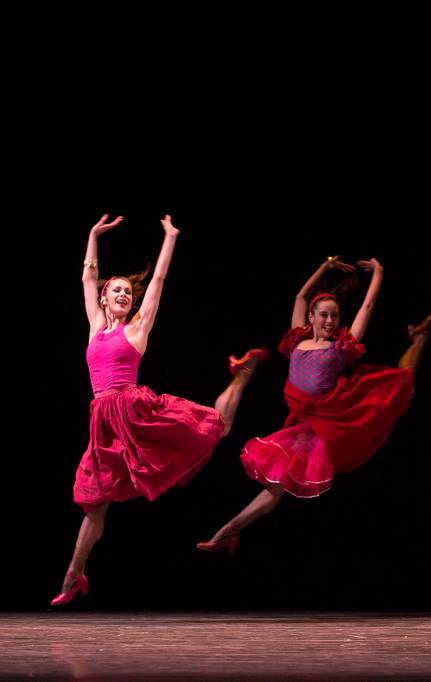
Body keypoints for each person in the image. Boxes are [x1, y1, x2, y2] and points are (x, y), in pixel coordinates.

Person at [51, 214, 266, 606]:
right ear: (104, 297)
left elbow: (159, 282)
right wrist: (91, 236)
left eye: (126, 293)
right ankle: (75, 572)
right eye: (115, 291)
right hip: (103, 424)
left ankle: (239, 378)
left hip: (136, 414)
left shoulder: (136, 329)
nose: (122, 296)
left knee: (216, 426)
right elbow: (86, 278)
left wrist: (170, 238)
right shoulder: (95, 326)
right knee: (94, 500)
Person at [197, 257, 431, 552]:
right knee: (279, 484)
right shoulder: (296, 340)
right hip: (305, 423)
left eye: (334, 317)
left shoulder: (340, 347)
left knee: (404, 382)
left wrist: (379, 273)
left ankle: (418, 339)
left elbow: (367, 307)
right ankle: (230, 532)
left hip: (328, 423)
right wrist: (325, 268)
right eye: (323, 315)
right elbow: (300, 296)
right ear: (311, 317)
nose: (329, 322)